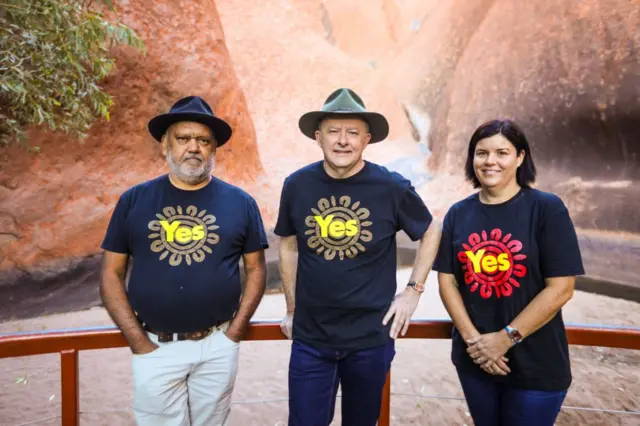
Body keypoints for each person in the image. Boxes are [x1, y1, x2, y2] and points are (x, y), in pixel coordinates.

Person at [275, 88, 441, 426]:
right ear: (318, 137)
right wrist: (291, 309)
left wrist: (413, 290)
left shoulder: (390, 187)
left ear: (366, 139)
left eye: (352, 132)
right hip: (311, 340)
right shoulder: (297, 185)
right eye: (333, 132)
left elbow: (431, 231)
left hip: (370, 340)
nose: (342, 141)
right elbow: (289, 245)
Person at [99, 96, 269, 426]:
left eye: (203, 140)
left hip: (217, 345)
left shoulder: (241, 203)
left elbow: (256, 268)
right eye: (183, 138)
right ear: (165, 144)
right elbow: (110, 273)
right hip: (155, 347)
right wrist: (138, 341)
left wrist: (234, 332)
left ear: (214, 148)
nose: (194, 148)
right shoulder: (134, 200)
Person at [433, 119, 584, 426]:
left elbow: (561, 289)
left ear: (520, 158)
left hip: (537, 362)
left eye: (501, 152)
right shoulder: (459, 213)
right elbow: (447, 280)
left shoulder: (547, 209)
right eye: (481, 153)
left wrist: (504, 339)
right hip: (475, 360)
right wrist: (474, 342)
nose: (490, 161)